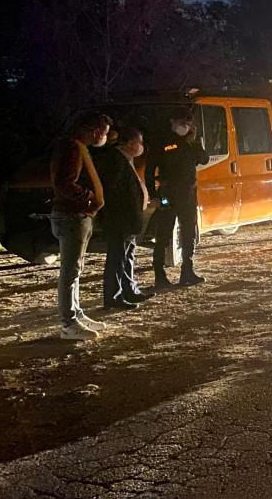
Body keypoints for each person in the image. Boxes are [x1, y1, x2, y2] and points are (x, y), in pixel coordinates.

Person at [49, 111, 111, 340]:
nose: (104, 137)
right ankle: (69, 323)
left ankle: (76, 313)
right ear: (93, 130)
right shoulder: (72, 148)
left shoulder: (75, 146)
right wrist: (89, 198)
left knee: (75, 269)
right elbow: (64, 183)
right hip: (72, 216)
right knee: (70, 271)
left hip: (77, 215)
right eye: (103, 132)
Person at [147, 111, 210, 288]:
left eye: (188, 123)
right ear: (172, 121)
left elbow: (204, 159)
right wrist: (154, 196)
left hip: (188, 196)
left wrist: (194, 142)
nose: (185, 126)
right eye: (182, 122)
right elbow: (150, 171)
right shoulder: (163, 141)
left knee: (189, 233)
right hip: (167, 195)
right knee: (163, 236)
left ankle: (187, 271)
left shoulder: (190, 142)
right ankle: (160, 275)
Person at [93, 126, 151, 310]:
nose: (141, 146)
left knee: (127, 256)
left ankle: (128, 290)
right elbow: (113, 191)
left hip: (128, 220)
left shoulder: (126, 160)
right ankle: (113, 297)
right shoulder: (115, 161)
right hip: (120, 220)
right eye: (140, 142)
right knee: (117, 259)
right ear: (131, 143)